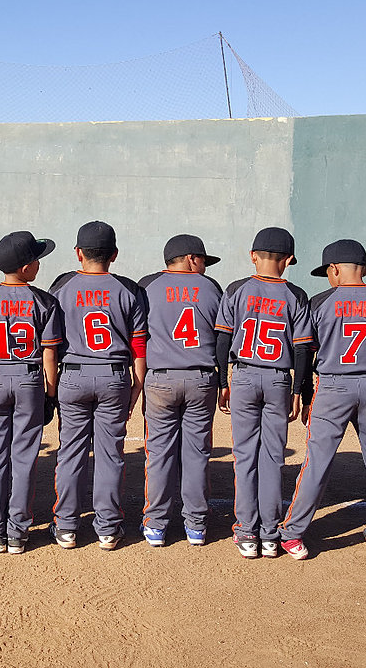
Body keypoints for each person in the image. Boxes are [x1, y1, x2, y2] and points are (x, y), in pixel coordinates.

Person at [276, 240, 366, 560]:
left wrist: (304, 394)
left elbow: (305, 353)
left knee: (317, 460)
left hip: (333, 388)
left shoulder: (320, 303)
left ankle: (293, 535)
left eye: (328, 272)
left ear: (334, 269)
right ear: (365, 269)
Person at [49, 221, 148, 550]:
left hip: (73, 373)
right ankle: (107, 527)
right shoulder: (129, 290)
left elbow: (50, 341)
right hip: (114, 374)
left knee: (71, 452)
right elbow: (139, 346)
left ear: (78, 253)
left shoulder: (61, 286)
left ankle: (65, 526)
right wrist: (138, 384)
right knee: (110, 454)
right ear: (114, 255)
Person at [214, 227, 313, 559]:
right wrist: (298, 390)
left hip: (243, 374)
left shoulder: (237, 289)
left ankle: (246, 532)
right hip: (278, 379)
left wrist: (223, 382)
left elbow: (223, 341)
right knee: (272, 457)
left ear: (253, 255)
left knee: (244, 456)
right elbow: (302, 351)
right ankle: (270, 534)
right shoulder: (296, 295)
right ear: (287, 261)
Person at [0, 230, 63, 554]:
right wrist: (51, 394)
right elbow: (49, 354)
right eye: (36, 259)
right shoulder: (45, 301)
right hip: (29, 379)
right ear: (26, 268)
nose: (39, 263)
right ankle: (17, 531)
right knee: (23, 457)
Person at [136, 234, 224, 547]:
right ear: (190, 258)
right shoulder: (211, 288)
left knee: (159, 453)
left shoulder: (147, 286)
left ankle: (157, 526)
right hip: (201, 378)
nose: (204, 266)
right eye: (202, 260)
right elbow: (224, 337)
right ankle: (196, 527)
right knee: (197, 453)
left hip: (160, 379)